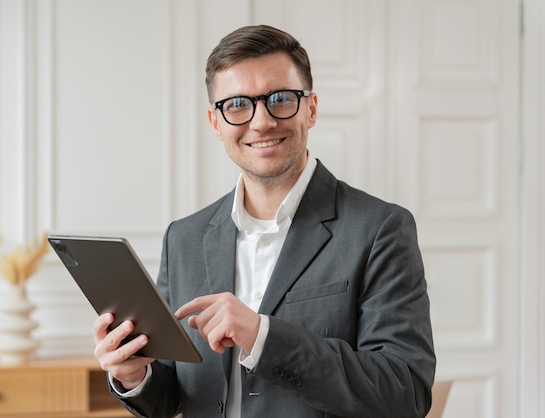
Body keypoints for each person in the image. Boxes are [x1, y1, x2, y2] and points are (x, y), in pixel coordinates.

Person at [93, 24, 436, 417]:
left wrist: (263, 337)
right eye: (237, 104)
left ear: (311, 108)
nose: (261, 122)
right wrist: (134, 376)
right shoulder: (183, 239)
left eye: (280, 99)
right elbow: (173, 396)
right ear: (215, 123)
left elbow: (404, 392)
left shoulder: (380, 229)